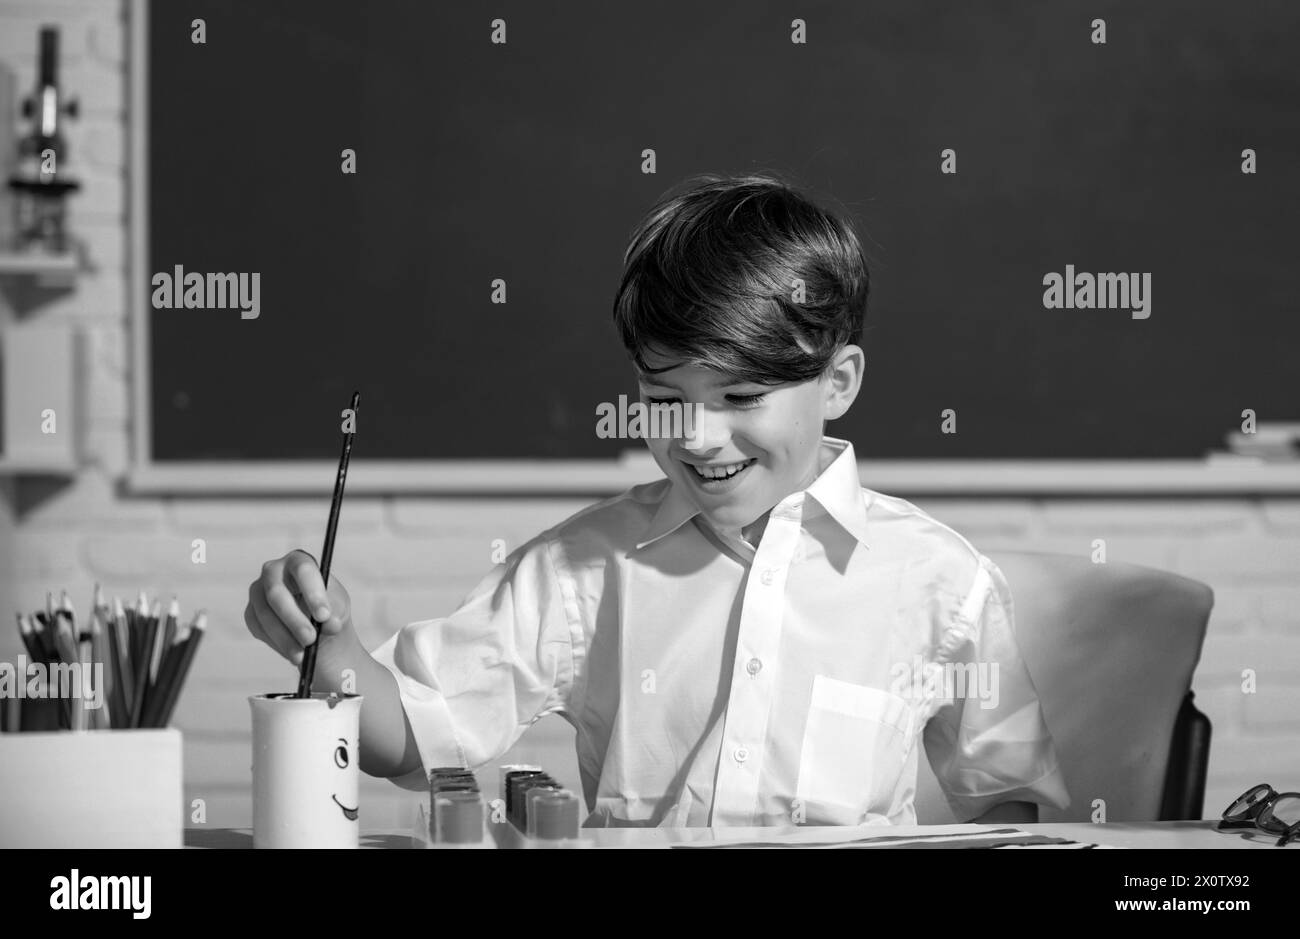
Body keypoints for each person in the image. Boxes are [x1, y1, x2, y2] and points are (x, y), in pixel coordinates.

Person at [245, 172, 1070, 827]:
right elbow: (413, 740)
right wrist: (333, 644)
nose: (699, 437)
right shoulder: (583, 570)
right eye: (667, 397)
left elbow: (1008, 803)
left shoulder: (936, 580)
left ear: (839, 381)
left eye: (742, 396)